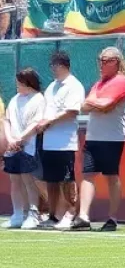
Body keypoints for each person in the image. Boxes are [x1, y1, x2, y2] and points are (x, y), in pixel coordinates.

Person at [72, 46, 125, 231]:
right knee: (88, 175)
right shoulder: (98, 84)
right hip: (93, 137)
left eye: (106, 60)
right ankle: (83, 216)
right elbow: (85, 106)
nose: (101, 64)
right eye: (100, 60)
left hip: (112, 138)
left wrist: (96, 103)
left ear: (116, 62)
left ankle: (112, 218)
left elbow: (106, 105)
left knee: (111, 177)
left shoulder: (121, 81)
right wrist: (96, 103)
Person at [31, 51, 85, 230]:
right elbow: (46, 110)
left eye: (54, 65)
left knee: (67, 180)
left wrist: (49, 121)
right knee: (51, 180)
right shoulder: (52, 86)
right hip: (49, 142)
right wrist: (41, 122)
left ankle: (71, 214)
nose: (52, 69)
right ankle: (54, 215)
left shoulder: (74, 85)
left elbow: (72, 111)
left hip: (65, 142)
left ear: (62, 65)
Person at [2, 68, 45, 230]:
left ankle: (33, 214)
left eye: (20, 83)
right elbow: (6, 120)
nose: (17, 86)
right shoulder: (14, 100)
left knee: (28, 180)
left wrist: (21, 139)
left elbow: (36, 123)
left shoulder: (38, 99)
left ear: (28, 83)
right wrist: (11, 139)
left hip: (28, 146)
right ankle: (17, 214)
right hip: (12, 147)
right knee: (15, 180)